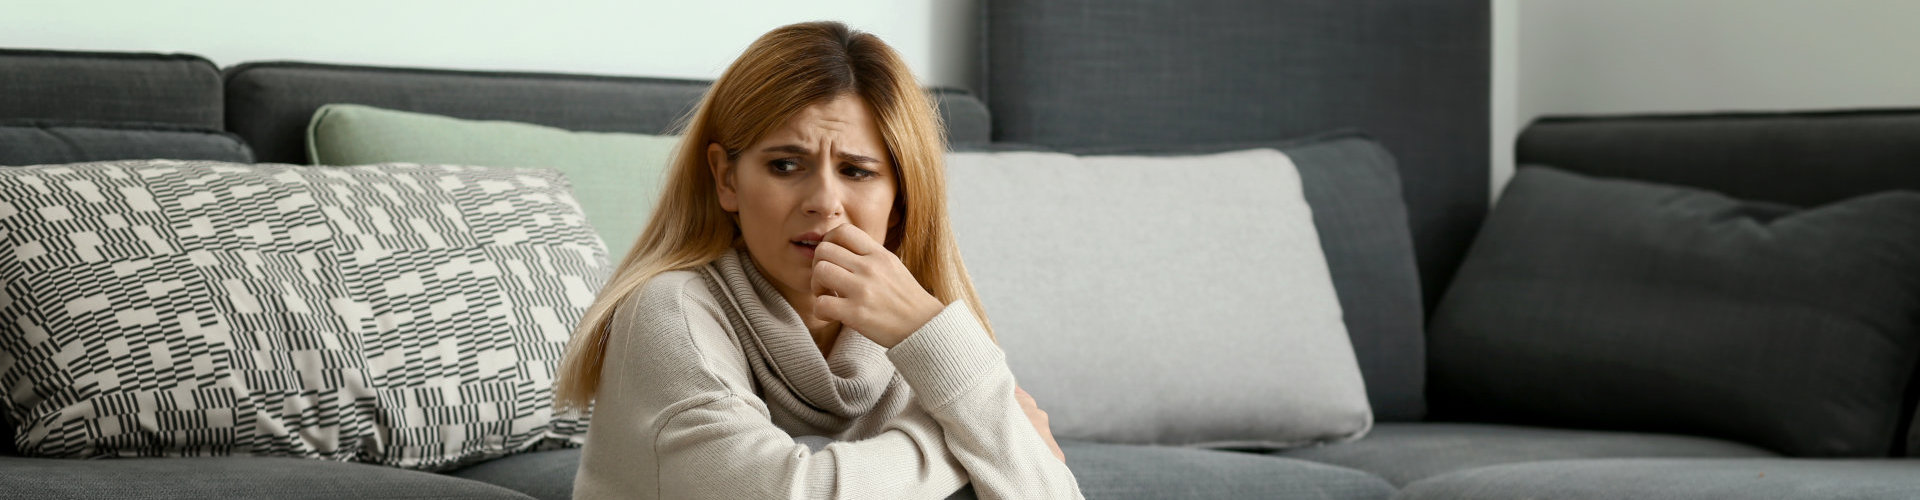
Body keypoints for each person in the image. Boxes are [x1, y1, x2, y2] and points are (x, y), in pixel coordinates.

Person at [553, 21, 1085, 499]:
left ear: (900, 199)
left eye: (857, 171)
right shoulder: (668, 311)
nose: (824, 201)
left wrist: (930, 333)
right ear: (726, 179)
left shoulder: (914, 328)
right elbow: (782, 493)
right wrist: (958, 437)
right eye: (786, 165)